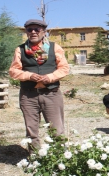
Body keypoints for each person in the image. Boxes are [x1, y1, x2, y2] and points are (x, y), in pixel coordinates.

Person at [9, 19, 69, 150]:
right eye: (30, 30)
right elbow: (13, 71)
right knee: (31, 130)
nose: (33, 32)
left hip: (51, 94)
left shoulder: (55, 47)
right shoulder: (20, 50)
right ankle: (35, 158)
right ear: (26, 32)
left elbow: (64, 68)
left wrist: (51, 77)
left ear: (44, 32)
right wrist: (28, 75)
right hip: (28, 95)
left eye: (37, 29)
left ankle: (61, 158)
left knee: (57, 129)